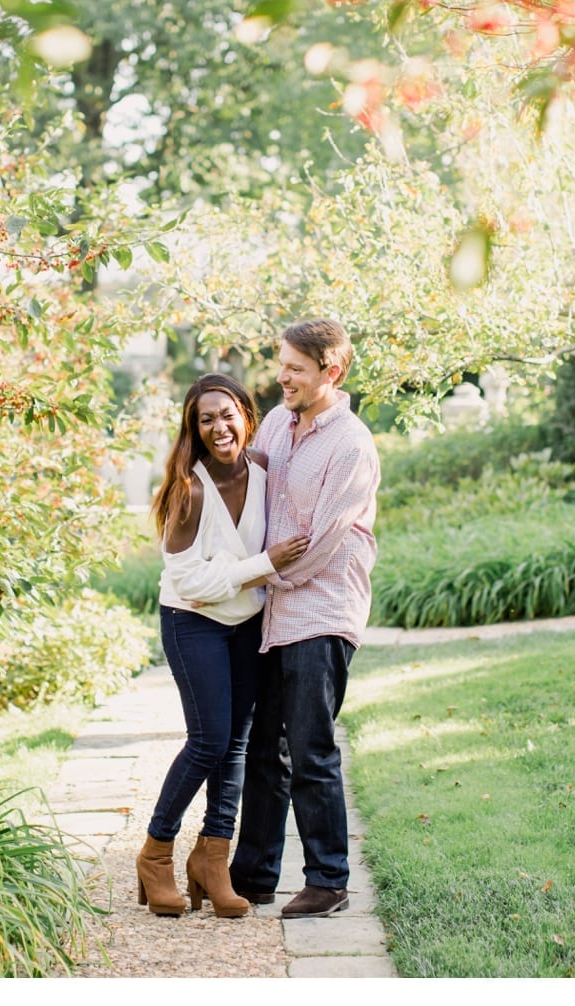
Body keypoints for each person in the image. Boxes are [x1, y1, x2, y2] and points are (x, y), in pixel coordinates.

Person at [136, 373, 311, 918]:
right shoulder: (187, 490)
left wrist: (245, 574)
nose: (219, 427)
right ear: (194, 428)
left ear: (246, 417)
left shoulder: (262, 470)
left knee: (236, 744)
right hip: (193, 623)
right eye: (205, 419)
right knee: (209, 741)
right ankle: (156, 853)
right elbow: (191, 584)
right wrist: (264, 565)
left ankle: (213, 861)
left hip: (243, 625)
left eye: (227, 414)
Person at [229, 318, 381, 919]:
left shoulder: (352, 444)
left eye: (294, 367)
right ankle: (255, 876)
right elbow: (250, 490)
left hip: (322, 610)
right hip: (274, 611)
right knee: (267, 748)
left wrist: (265, 574)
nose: (281, 376)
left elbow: (322, 541)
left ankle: (329, 881)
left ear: (331, 372)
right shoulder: (275, 424)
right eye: (281, 363)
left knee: (311, 748)